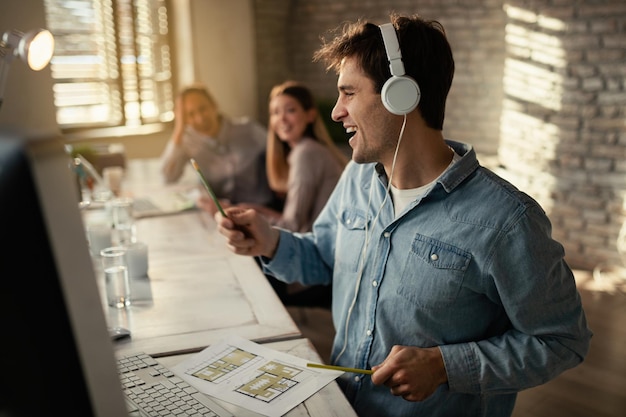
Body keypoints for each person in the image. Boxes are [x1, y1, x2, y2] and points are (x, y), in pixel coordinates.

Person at [213, 13, 592, 417]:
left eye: (349, 94)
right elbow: (326, 258)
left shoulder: (507, 220)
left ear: (401, 95)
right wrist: (269, 241)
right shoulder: (357, 180)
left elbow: (562, 340)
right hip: (341, 404)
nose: (336, 112)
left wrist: (444, 366)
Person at [245, 80, 348, 307]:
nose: (281, 119)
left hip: (318, 268)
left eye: (290, 110)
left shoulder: (306, 154)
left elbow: (292, 226)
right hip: (322, 258)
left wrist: (253, 214)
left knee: (245, 276)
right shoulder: (305, 151)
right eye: (275, 112)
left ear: (310, 115)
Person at [160, 83, 280, 213]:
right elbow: (168, 177)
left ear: (213, 104)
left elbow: (282, 153)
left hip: (262, 210)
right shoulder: (188, 143)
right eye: (190, 114)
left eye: (202, 109)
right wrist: (179, 129)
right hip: (222, 214)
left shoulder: (249, 130)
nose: (199, 118)